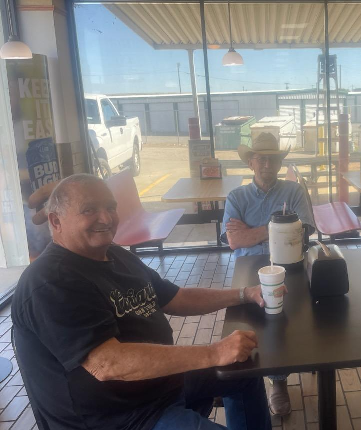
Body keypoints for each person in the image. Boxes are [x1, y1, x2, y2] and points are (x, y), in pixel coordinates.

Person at [12, 174, 272, 430]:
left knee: (243, 373)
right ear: (56, 221)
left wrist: (244, 293)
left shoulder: (114, 254)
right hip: (121, 416)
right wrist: (214, 352)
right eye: (89, 210)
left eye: (110, 207)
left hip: (159, 384)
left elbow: (177, 297)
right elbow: (107, 363)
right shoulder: (50, 281)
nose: (106, 218)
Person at [221, 132, 315, 416]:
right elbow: (234, 241)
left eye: (273, 159)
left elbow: (306, 230)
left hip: (288, 268)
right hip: (247, 268)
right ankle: (245, 383)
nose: (267, 164)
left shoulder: (294, 191)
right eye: (261, 159)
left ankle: (278, 380)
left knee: (281, 324)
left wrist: (254, 232)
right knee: (245, 326)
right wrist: (281, 227)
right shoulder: (236, 196)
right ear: (251, 162)